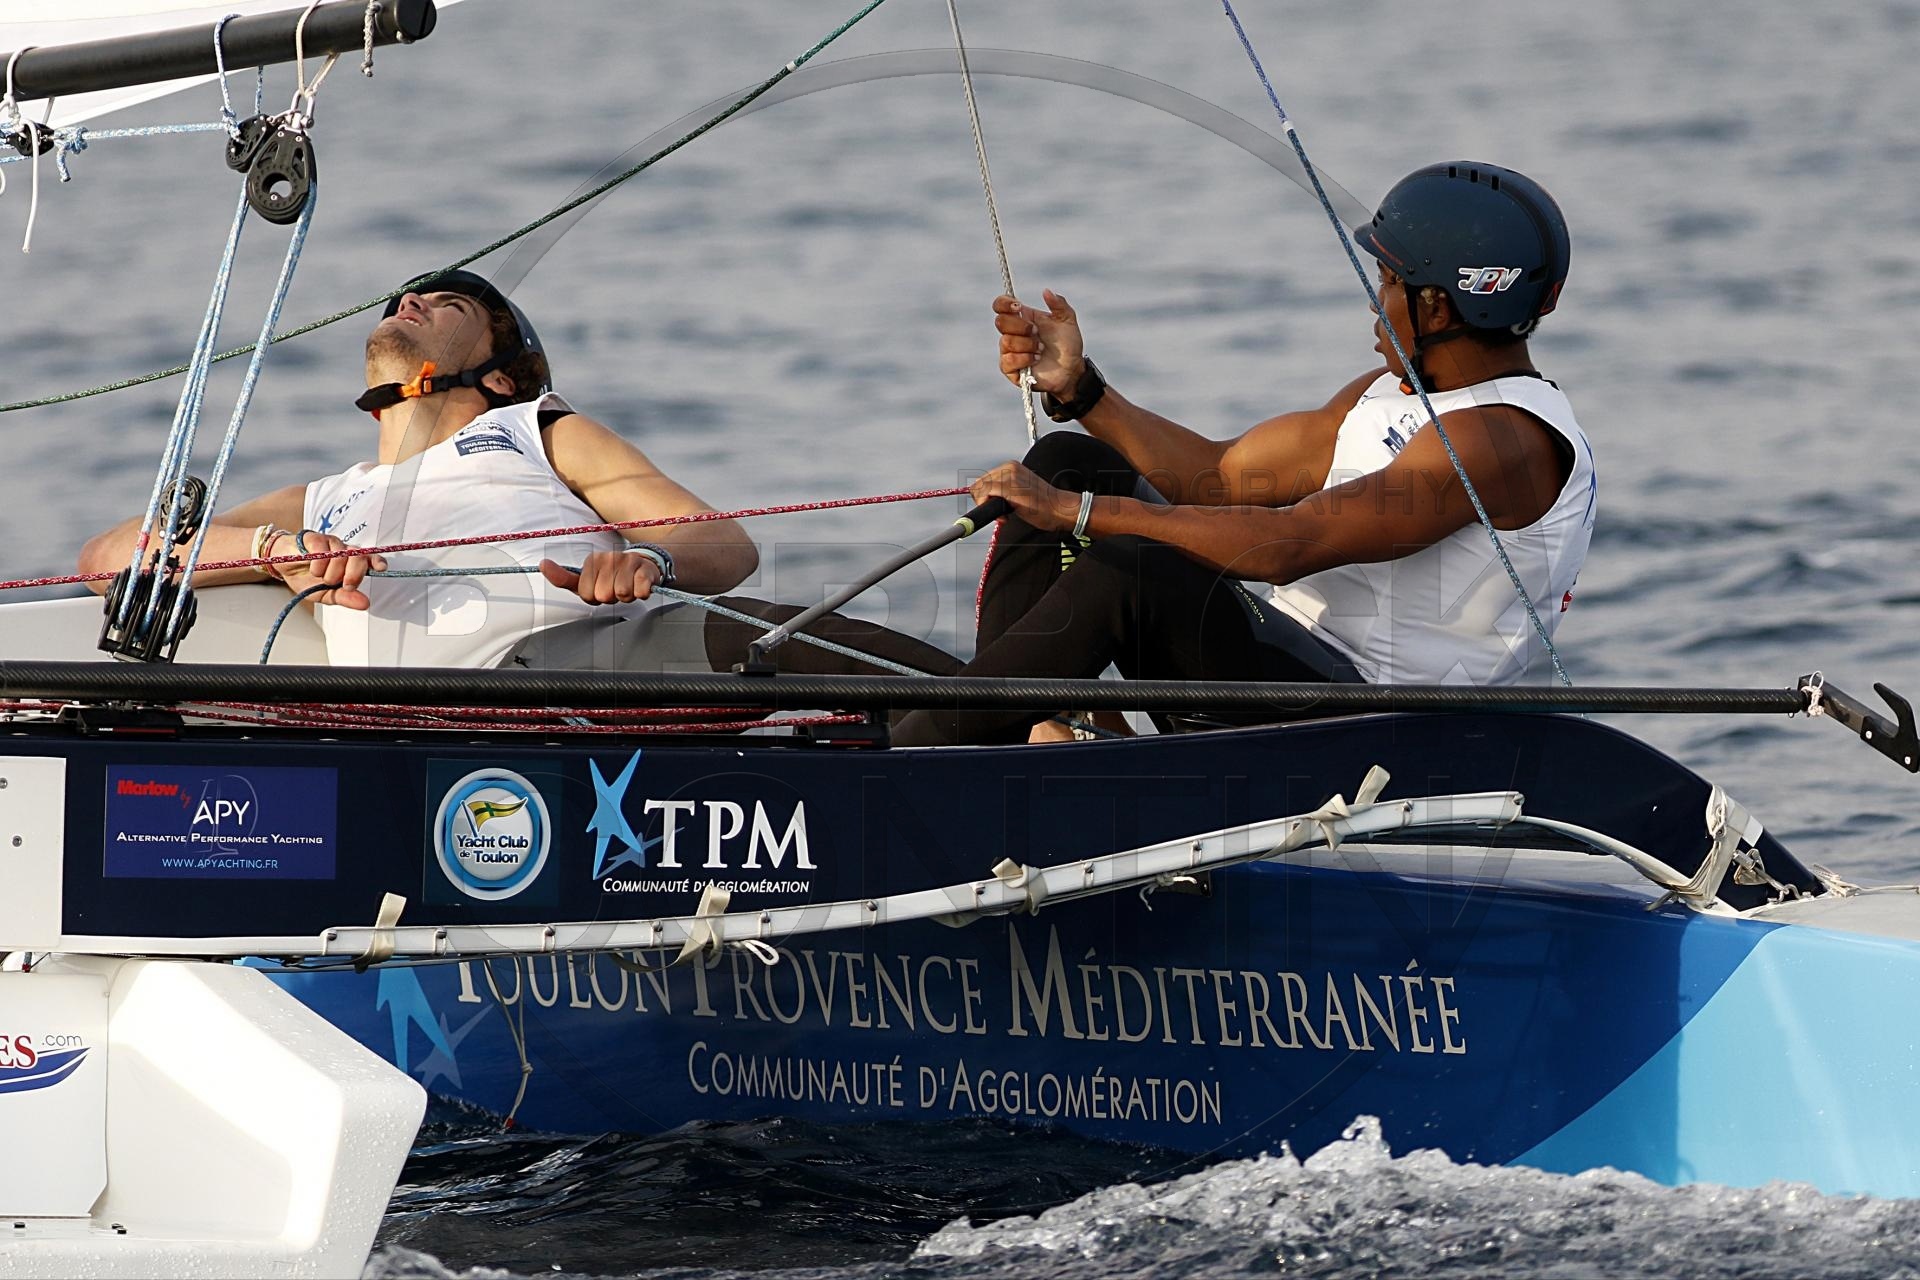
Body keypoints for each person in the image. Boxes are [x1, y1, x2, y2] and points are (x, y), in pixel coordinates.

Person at [893, 160, 1598, 746]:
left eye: (1387, 281)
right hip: (1290, 667)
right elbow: (1218, 479)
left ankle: (921, 756)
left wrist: (1078, 515)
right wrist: (1081, 390)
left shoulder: (1504, 439)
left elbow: (1288, 545)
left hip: (1373, 727)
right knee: (1067, 460)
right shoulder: (1384, 392)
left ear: (1437, 307)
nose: (1374, 300)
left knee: (1129, 564)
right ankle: (1024, 730)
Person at [78, 270, 764, 668]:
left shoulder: (537, 429)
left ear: (499, 379)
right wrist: (275, 551)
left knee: (780, 635)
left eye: (448, 306)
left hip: (576, 673)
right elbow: (108, 558)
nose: (412, 303)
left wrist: (648, 561)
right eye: (409, 302)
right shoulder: (323, 499)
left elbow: (727, 545)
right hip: (409, 734)